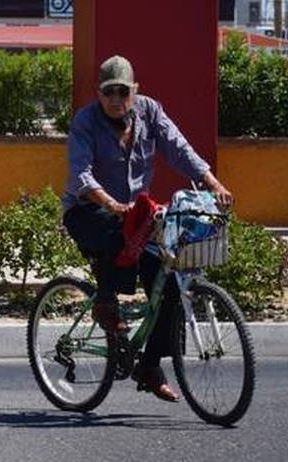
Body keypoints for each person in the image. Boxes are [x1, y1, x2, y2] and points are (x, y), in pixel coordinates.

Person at [62, 55, 233, 402]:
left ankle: (150, 366)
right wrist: (111, 203)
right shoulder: (86, 121)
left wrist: (212, 182)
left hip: (136, 217)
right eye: (109, 92)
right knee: (114, 230)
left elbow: (178, 148)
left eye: (122, 91)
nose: (115, 99)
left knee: (169, 283)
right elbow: (81, 174)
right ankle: (105, 303)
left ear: (134, 91)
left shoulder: (149, 112)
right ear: (99, 93)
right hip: (87, 211)